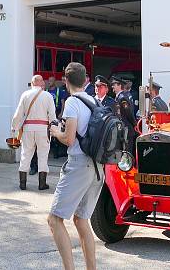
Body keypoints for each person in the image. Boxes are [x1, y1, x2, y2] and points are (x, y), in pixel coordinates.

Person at [47, 62, 104, 270]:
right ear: (86, 80)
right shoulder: (93, 100)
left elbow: (69, 139)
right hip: (98, 167)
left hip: (79, 165)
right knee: (81, 220)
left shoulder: (72, 102)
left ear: (65, 80)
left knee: (54, 220)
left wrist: (55, 133)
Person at [11, 75, 56, 190]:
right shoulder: (48, 96)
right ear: (42, 83)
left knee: (25, 154)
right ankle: (42, 184)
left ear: (32, 83)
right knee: (43, 155)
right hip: (43, 129)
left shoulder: (25, 95)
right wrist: (55, 130)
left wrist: (14, 127)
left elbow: (18, 113)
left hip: (28, 129)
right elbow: (52, 116)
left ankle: (22, 183)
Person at [47, 77, 69, 160]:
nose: (49, 82)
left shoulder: (59, 91)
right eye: (48, 81)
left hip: (57, 112)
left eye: (51, 81)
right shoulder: (46, 91)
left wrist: (61, 113)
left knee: (57, 131)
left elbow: (63, 103)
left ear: (54, 82)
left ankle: (56, 152)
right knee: (49, 132)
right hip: (49, 113)